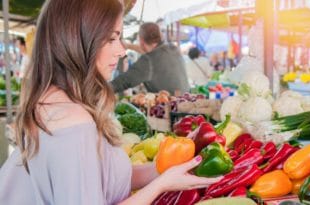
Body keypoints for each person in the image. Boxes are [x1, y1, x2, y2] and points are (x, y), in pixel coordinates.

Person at [0, 0, 221, 204]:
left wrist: (165, 166)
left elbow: (106, 179)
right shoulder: (73, 124)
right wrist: (161, 185)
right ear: (79, 41)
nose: (122, 50)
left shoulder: (55, 103)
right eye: (112, 38)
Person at [111, 22, 190, 95]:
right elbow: (150, 51)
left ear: (141, 40)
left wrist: (102, 90)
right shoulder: (173, 48)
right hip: (188, 103)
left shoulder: (148, 61)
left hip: (169, 108)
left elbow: (123, 82)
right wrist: (128, 45)